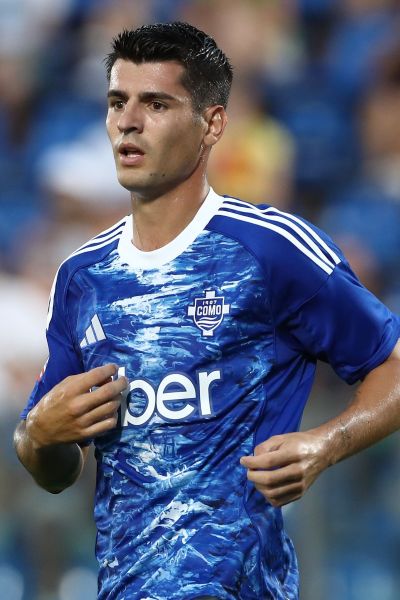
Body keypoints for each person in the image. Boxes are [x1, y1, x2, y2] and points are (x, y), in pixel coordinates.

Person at [14, 21, 400, 600]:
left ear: (212, 124)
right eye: (118, 102)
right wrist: (36, 438)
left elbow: (391, 365)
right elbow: (55, 469)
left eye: (156, 104)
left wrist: (325, 444)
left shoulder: (272, 249)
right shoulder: (82, 277)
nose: (129, 122)